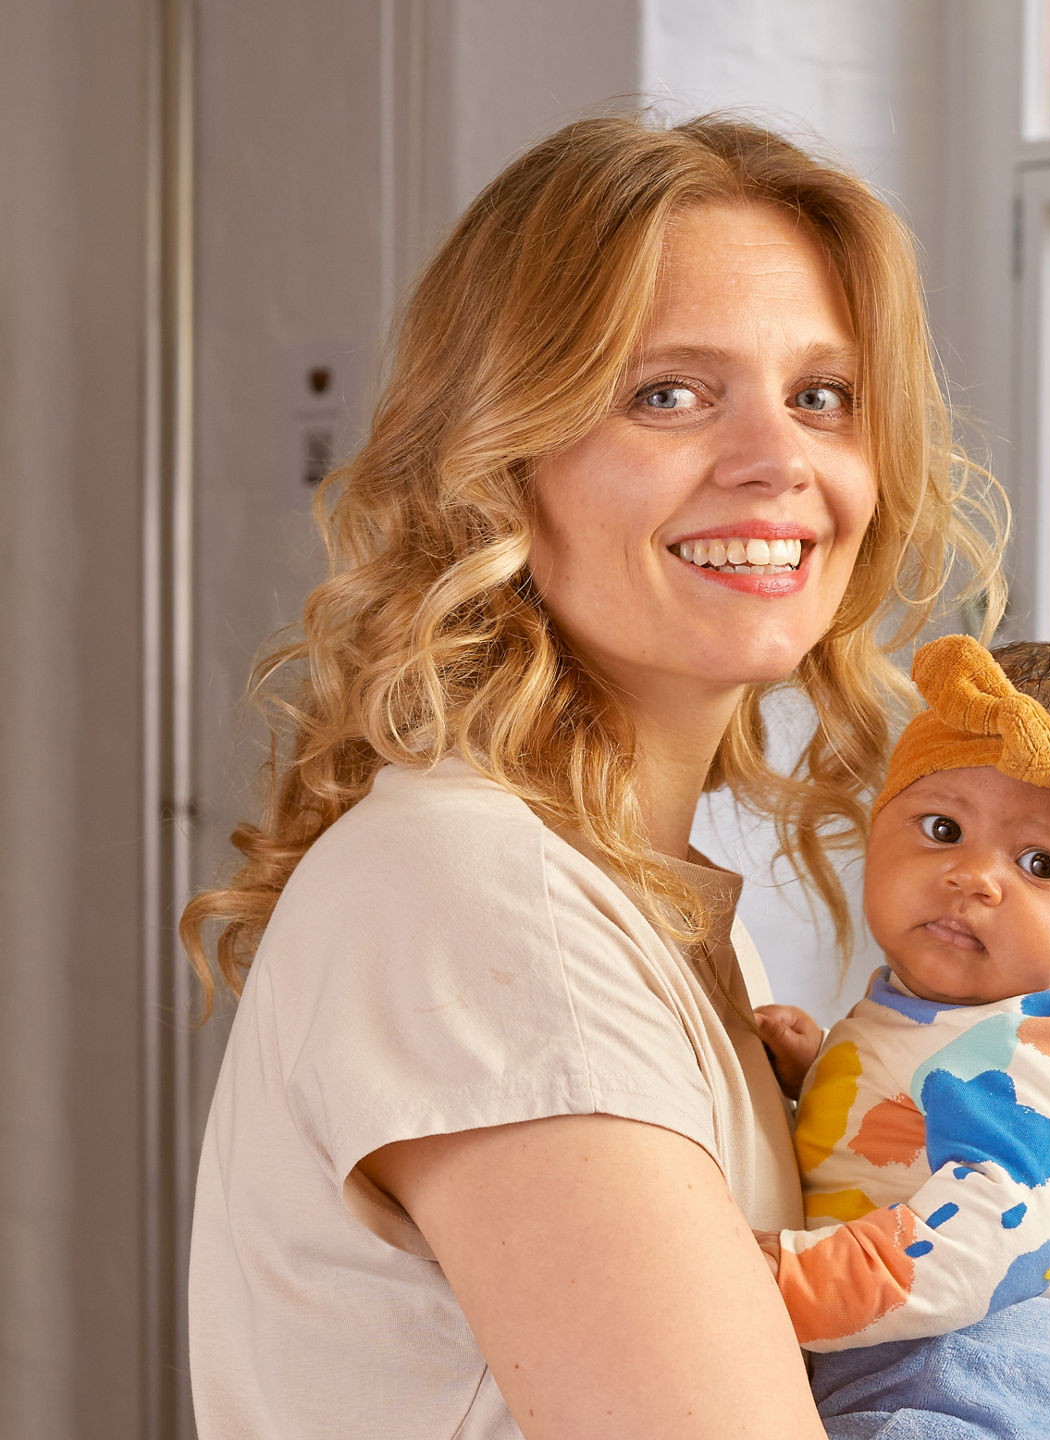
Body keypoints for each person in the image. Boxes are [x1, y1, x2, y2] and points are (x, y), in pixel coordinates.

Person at [181, 113, 1001, 1440]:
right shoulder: (490, 901)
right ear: (500, 462)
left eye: (823, 396)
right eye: (667, 394)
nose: (779, 459)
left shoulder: (621, 893)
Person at [753, 633, 1050, 1439]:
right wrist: (817, 1077)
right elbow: (916, 1130)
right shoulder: (941, 1014)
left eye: (1042, 864)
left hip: (988, 1380)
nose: (974, 876)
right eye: (943, 828)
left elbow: (980, 1242)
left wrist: (756, 1280)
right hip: (905, 1361)